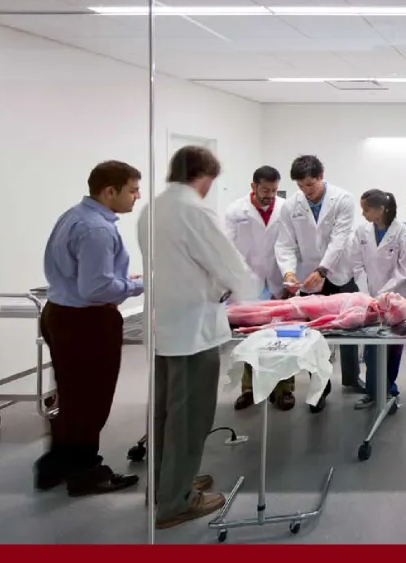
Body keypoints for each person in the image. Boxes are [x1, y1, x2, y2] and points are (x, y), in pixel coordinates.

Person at [138, 146, 261, 529]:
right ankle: (177, 501)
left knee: (165, 413)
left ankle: (165, 484)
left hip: (164, 327)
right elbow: (228, 265)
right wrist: (249, 297)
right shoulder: (194, 210)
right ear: (204, 175)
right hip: (193, 330)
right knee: (189, 417)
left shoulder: (153, 208)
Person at [34, 161, 144, 496]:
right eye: (132, 190)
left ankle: (56, 465)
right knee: (90, 400)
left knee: (72, 396)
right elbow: (95, 289)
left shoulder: (75, 215)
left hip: (61, 313)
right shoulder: (97, 229)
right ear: (109, 191)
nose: (137, 196)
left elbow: (88, 277)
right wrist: (135, 287)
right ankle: (86, 472)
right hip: (86, 322)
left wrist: (121, 281)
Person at [274, 155, 363, 412]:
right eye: (301, 186)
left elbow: (339, 238)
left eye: (310, 185)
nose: (306, 191)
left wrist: (323, 269)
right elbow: (285, 242)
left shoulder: (342, 199)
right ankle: (319, 388)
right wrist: (289, 272)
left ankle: (352, 377)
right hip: (308, 277)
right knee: (314, 335)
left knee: (349, 328)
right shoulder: (291, 205)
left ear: (321, 176)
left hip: (338, 272)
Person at [225, 166, 293, 411]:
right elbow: (229, 249)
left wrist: (288, 277)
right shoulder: (235, 211)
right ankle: (250, 389)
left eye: (274, 190)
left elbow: (290, 245)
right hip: (248, 282)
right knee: (252, 338)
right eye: (265, 189)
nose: (270, 195)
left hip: (278, 278)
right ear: (253, 186)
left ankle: (284, 389)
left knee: (283, 338)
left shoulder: (285, 208)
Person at [348, 189, 406, 411]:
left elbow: (403, 269)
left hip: (394, 297)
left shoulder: (401, 232)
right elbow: (357, 264)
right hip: (368, 296)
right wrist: (367, 293)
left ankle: (389, 389)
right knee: (372, 346)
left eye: (366, 209)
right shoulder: (362, 231)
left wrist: (384, 294)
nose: (363, 213)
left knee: (392, 345)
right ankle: (373, 391)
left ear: (380, 209)